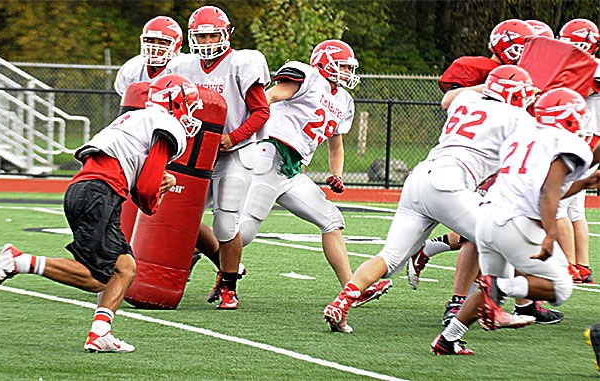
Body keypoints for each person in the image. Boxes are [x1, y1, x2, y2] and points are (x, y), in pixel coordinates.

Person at [0, 74, 203, 352]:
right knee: (96, 277)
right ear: (176, 102)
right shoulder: (166, 123)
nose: (191, 115)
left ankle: (100, 333)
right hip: (99, 193)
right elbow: (146, 190)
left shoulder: (135, 119)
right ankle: (18, 261)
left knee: (124, 267)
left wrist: (159, 182)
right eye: (191, 106)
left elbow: (130, 172)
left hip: (86, 190)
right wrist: (159, 195)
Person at [323, 65, 538, 333]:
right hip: (452, 181)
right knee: (503, 237)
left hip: (420, 177)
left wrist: (493, 84)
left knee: (389, 258)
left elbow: (453, 97)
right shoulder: (519, 118)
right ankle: (491, 309)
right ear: (516, 94)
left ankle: (340, 304)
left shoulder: (467, 99)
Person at [408, 19, 561, 326]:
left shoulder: (529, 77)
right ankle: (459, 302)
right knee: (481, 237)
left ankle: (520, 302)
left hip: (512, 160)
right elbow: (450, 100)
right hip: (480, 161)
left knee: (505, 231)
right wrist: (489, 86)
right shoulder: (482, 70)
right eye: (523, 46)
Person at [431, 87, 600, 355]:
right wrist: (550, 234)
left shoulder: (522, 137)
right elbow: (548, 191)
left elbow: (541, 187)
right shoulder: (565, 143)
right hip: (514, 222)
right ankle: (500, 287)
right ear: (568, 118)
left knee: (493, 290)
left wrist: (582, 184)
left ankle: (447, 339)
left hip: (486, 219)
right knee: (560, 288)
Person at [238, 40, 391, 318]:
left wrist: (337, 174)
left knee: (331, 220)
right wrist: (247, 129)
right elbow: (270, 97)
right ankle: (195, 251)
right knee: (244, 232)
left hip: (293, 171)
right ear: (324, 61)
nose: (346, 72)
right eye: (342, 65)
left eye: (348, 67)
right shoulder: (308, 76)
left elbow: (336, 145)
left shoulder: (345, 101)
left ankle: (351, 289)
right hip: (270, 154)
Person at [165, 5, 270, 309]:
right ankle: (219, 266)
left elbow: (261, 111)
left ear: (225, 34)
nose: (208, 41)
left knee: (225, 223)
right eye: (202, 35)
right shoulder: (183, 66)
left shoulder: (241, 62)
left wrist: (232, 138)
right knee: (179, 216)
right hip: (193, 153)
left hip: (233, 153)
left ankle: (229, 285)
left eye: (213, 34)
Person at [112, 15, 221, 285]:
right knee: (128, 204)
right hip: (140, 144)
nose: (155, 47)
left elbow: (198, 110)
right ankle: (119, 264)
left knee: (175, 212)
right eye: (150, 41)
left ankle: (225, 264)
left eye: (162, 42)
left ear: (177, 45)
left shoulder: (187, 66)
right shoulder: (131, 68)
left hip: (175, 143)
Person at [557, 18, 600, 284]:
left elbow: (582, 86)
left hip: (583, 140)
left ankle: (570, 265)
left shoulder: (592, 68)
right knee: (575, 208)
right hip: (586, 139)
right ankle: (581, 266)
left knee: (559, 202)